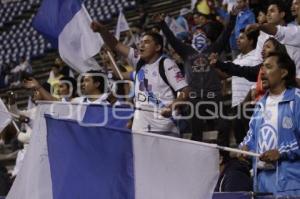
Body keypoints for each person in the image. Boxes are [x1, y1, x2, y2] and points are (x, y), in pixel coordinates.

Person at [91, 21, 189, 136]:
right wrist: (102, 30)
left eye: (146, 42)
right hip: (140, 128)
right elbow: (115, 44)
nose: (141, 45)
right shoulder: (138, 61)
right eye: (140, 42)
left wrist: (172, 106)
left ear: (157, 47)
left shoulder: (166, 63)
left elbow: (185, 91)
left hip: (163, 127)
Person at [153, 11, 236, 143]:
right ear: (191, 37)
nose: (199, 35)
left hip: (213, 95)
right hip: (194, 97)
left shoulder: (213, 49)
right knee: (196, 132)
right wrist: (162, 23)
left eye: (201, 33)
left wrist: (233, 16)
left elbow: (226, 34)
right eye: (196, 33)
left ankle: (223, 156)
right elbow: (172, 39)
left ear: (207, 38)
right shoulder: (186, 51)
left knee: (224, 125)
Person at [240, 52, 300, 196]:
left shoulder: (297, 99)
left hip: (291, 186)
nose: (262, 72)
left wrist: (281, 152)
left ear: (283, 72)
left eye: (268, 67)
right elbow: (251, 137)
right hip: (261, 186)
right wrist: (245, 147)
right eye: (262, 67)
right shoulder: (260, 104)